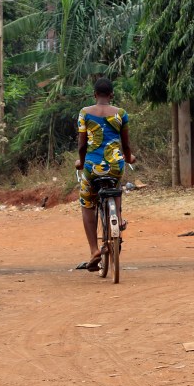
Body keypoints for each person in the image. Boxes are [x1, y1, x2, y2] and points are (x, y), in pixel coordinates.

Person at [75, 78, 135, 271]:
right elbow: (125, 144)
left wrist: (81, 162)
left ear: (94, 95)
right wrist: (128, 157)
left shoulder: (84, 113)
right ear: (111, 95)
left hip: (92, 166)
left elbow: (83, 144)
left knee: (87, 204)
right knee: (115, 190)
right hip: (115, 164)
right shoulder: (121, 114)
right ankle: (117, 220)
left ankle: (94, 250)